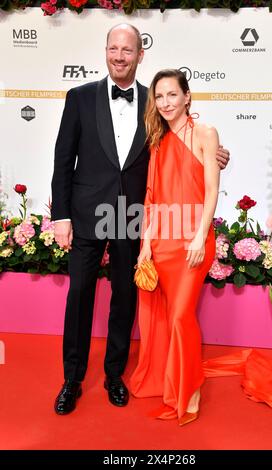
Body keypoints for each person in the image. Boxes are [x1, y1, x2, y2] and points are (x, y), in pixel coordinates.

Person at [51, 25, 230, 415]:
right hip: (87, 212)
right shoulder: (79, 98)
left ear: (140, 54)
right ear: (105, 52)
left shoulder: (156, 101)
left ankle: (114, 374)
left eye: (127, 50)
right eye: (113, 49)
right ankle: (72, 379)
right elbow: (63, 159)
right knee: (79, 294)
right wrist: (61, 215)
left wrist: (217, 154)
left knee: (125, 295)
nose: (119, 56)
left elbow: (186, 142)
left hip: (135, 215)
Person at [130, 69, 220, 426]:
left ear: (186, 96)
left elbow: (212, 190)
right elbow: (152, 199)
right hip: (162, 242)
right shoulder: (156, 140)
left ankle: (190, 389)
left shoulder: (205, 134)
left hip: (193, 242)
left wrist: (200, 235)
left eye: (172, 95)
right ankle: (171, 380)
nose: (166, 103)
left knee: (182, 315)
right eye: (160, 97)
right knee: (167, 317)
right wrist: (145, 246)